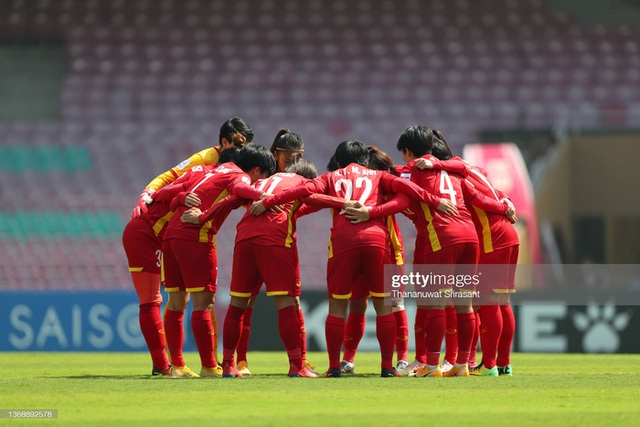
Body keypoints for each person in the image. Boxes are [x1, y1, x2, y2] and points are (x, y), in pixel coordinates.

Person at [250, 140, 457, 378]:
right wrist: (436, 201)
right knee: (384, 308)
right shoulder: (379, 175)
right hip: (377, 242)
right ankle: (387, 367)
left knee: (338, 306)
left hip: (342, 243)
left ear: (338, 161)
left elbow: (302, 192)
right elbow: (408, 190)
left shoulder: (331, 176)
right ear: (366, 161)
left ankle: (335, 366)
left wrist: (268, 201)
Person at [156, 144, 276, 378]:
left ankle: (177, 366)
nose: (261, 182)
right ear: (257, 170)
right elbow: (242, 187)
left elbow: (168, 196)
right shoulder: (239, 175)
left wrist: (179, 199)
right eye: (263, 178)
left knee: (177, 302)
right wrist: (263, 195)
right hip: (195, 236)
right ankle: (209, 366)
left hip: (171, 236)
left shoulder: (208, 171)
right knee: (203, 304)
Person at [414, 135, 519, 376]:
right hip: (506, 232)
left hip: (492, 236)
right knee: (501, 302)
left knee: (488, 301)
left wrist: (434, 166)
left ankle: (490, 365)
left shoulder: (456, 173)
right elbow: (496, 191)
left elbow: (478, 195)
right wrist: (507, 202)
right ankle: (502, 364)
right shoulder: (476, 169)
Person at [233, 129, 318, 376]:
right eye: (289, 156)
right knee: (248, 300)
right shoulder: (264, 173)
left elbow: (311, 200)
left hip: (283, 237)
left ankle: (300, 360)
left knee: (294, 300)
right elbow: (239, 198)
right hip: (262, 237)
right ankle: (241, 360)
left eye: (298, 156)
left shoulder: (299, 176)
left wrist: (293, 212)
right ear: (276, 154)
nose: (294, 161)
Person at [121, 170, 203, 376]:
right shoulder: (196, 180)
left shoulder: (208, 180)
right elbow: (160, 193)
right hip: (143, 235)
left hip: (163, 240)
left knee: (179, 299)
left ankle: (176, 364)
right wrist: (180, 196)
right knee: (150, 300)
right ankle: (161, 365)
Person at [339, 146, 410, 375]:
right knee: (357, 303)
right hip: (360, 248)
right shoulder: (357, 184)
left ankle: (402, 359)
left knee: (394, 304)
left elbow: (401, 176)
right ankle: (348, 359)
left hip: (390, 250)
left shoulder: (387, 182)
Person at [130, 116, 254, 219]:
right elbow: (169, 176)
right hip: (177, 216)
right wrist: (146, 194)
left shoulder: (241, 163)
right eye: (239, 146)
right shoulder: (204, 159)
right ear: (224, 142)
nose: (243, 151)